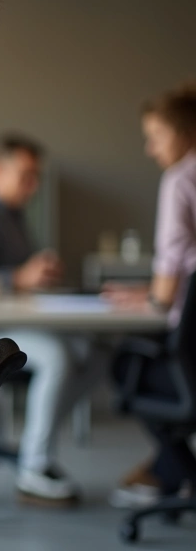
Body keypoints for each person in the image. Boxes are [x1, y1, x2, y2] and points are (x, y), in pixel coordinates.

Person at [0, 135, 109, 505]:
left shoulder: (15, 216)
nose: (33, 186)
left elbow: (17, 274)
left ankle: (37, 441)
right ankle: (34, 466)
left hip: (18, 322)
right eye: (25, 176)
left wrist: (36, 273)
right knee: (59, 357)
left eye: (36, 176)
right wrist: (19, 278)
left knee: (97, 351)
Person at [105, 80, 196, 509]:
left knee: (126, 363)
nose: (149, 148)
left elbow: (168, 291)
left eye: (156, 137)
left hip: (192, 354)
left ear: (185, 133)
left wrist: (149, 298)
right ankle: (167, 471)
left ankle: (173, 471)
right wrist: (147, 290)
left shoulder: (181, 180)